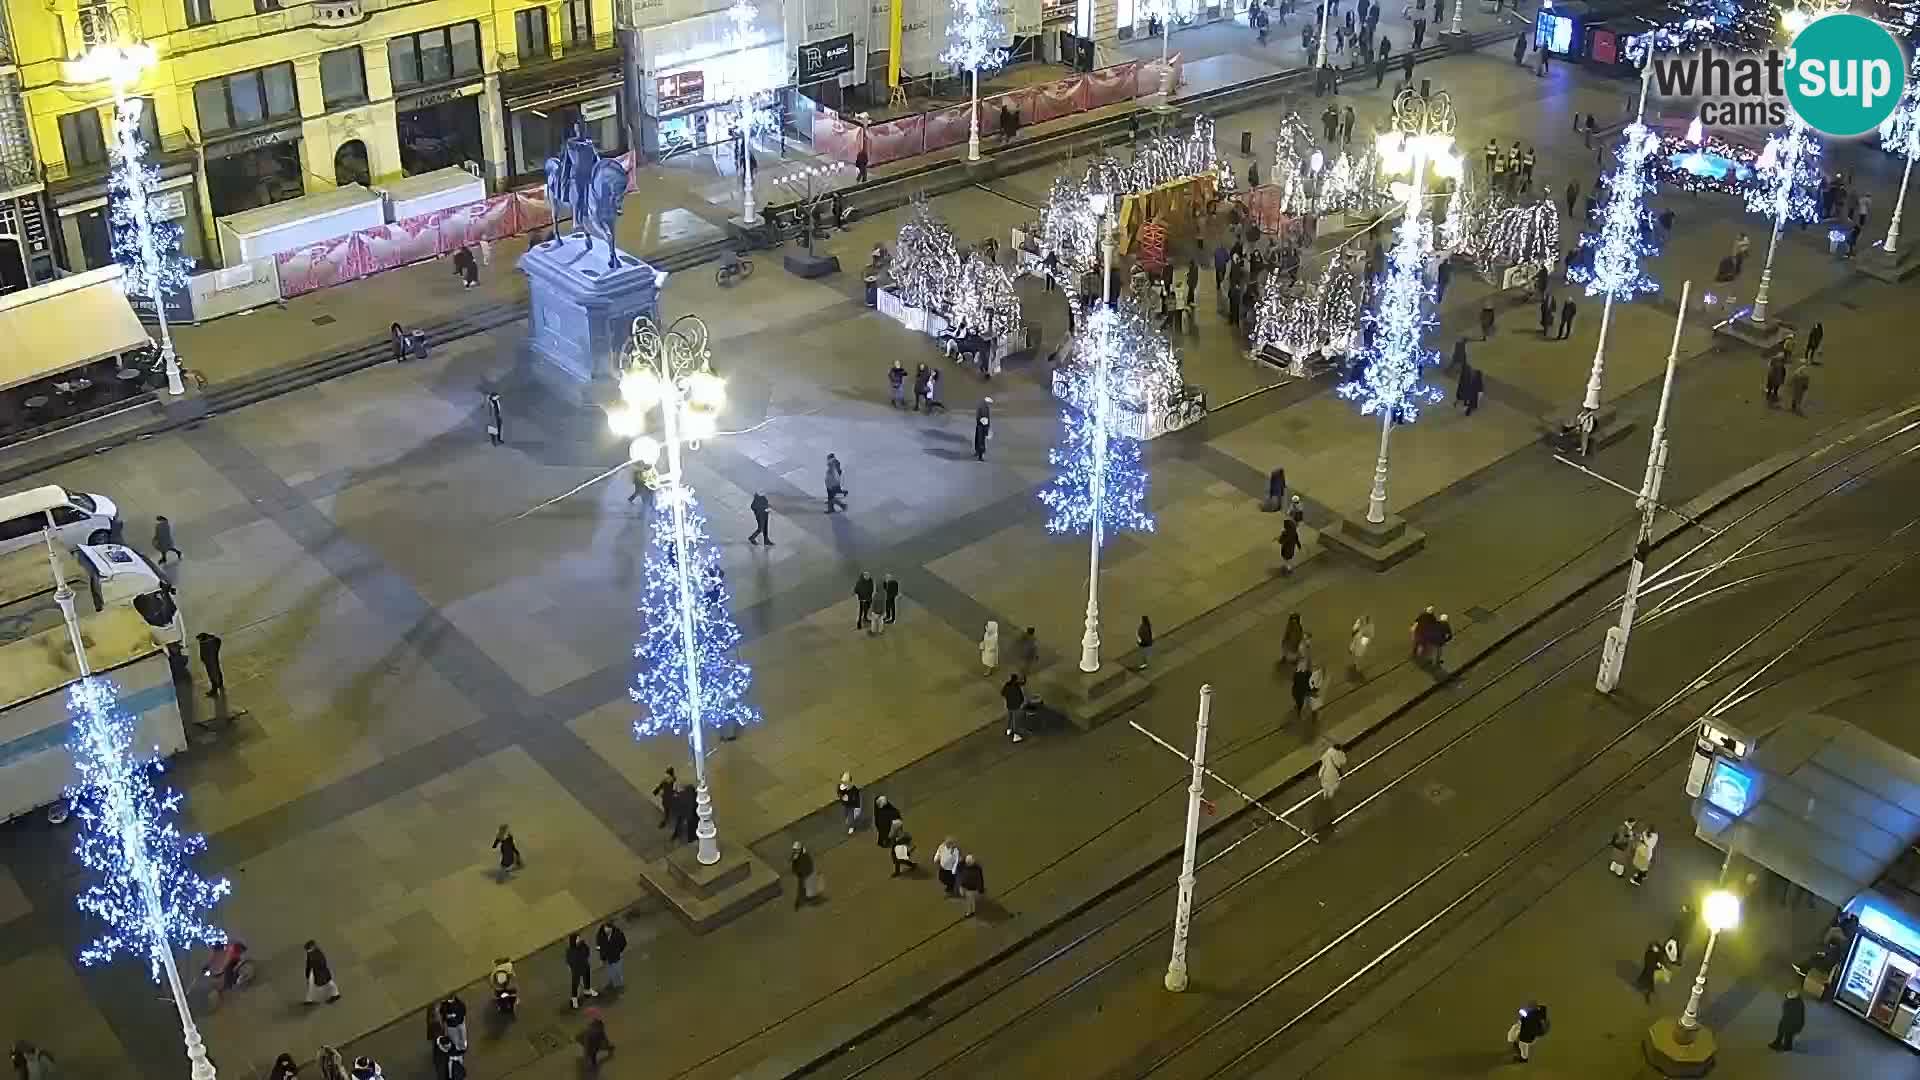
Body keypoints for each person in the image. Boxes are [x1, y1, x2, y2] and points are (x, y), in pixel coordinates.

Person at [304, 940, 341, 1004]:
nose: (307, 951)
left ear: (312, 947)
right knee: (311, 985)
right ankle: (309, 1000)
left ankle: (336, 995)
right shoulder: (312, 953)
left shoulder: (317, 954)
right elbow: (309, 964)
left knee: (329, 983)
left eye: (308, 949)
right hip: (316, 972)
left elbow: (319, 964)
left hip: (320, 972)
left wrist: (311, 973)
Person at [565, 932, 596, 1008]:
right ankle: (574, 998)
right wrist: (572, 967)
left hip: (585, 966)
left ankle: (587, 990)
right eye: (577, 939)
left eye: (579, 938)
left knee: (587, 979)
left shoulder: (583, 945)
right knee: (575, 984)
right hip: (576, 969)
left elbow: (587, 952)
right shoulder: (570, 950)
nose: (579, 940)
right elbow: (569, 961)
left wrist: (584, 948)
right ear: (573, 940)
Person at [595, 921, 627, 990]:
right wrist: (601, 957)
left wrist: (619, 951)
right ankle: (613, 983)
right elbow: (599, 946)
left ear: (611, 928)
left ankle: (620, 985)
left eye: (607, 928)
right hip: (607, 958)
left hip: (617, 957)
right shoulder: (601, 935)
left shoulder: (618, 934)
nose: (606, 930)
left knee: (618, 971)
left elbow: (624, 943)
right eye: (605, 928)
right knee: (610, 972)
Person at [1002, 673, 1028, 744]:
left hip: (1009, 705)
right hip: (1016, 706)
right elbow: (1021, 698)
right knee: (1015, 721)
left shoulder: (1007, 685)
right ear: (1016, 680)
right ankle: (1016, 736)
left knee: (1010, 718)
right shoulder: (1016, 688)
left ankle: (1009, 729)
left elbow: (1003, 693)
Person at [197, 631, 225, 697]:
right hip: (212, 659)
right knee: (216, 671)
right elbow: (218, 641)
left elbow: (204, 653)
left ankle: (214, 689)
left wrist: (203, 658)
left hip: (210, 661)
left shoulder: (205, 643)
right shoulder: (213, 640)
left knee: (212, 673)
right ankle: (219, 684)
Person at [790, 841, 816, 908]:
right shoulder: (798, 856)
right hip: (802, 873)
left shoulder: (804, 855)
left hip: (805, 873)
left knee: (805, 885)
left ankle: (806, 897)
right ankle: (804, 898)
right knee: (802, 886)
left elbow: (808, 863)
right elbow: (794, 865)